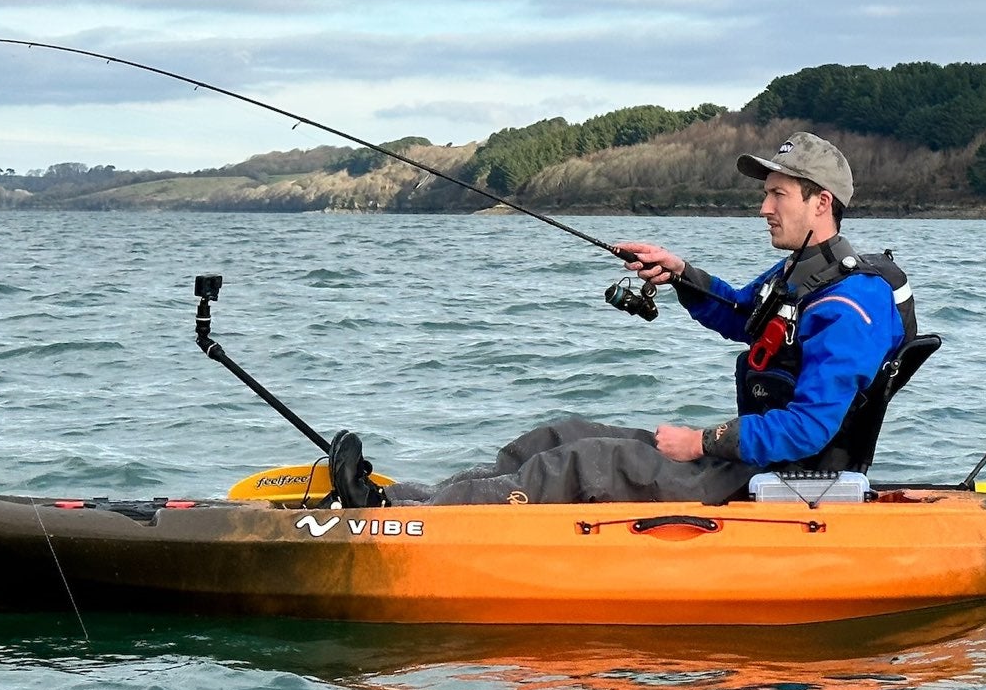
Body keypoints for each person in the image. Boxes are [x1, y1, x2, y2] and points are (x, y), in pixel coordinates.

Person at [331, 131, 915, 508]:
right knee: (561, 436)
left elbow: (809, 430)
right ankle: (419, 498)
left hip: (781, 475)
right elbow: (741, 315)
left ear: (821, 204)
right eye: (765, 193)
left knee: (592, 462)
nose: (763, 207)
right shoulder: (800, 275)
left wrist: (701, 441)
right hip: (752, 455)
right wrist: (678, 271)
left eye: (777, 195)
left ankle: (402, 517)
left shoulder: (851, 302)